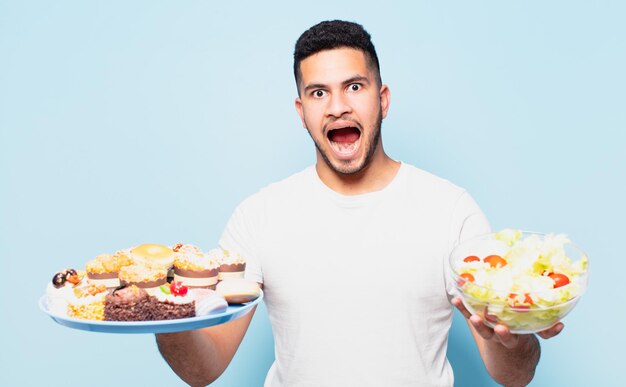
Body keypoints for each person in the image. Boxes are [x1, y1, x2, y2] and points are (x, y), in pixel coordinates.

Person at [156, 20, 563, 387]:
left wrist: (514, 341)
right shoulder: (258, 217)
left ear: (382, 99)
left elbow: (514, 376)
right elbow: (202, 369)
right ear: (302, 112)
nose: (338, 107)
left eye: (354, 86)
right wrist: (162, 310)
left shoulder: (451, 211)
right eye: (319, 92)